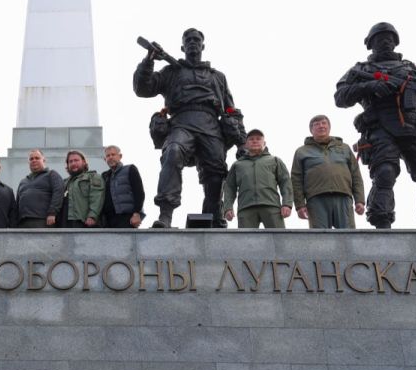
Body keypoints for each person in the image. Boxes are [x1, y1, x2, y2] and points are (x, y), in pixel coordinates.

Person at [334, 22, 416, 228]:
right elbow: (340, 97)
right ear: (370, 44)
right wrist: (372, 85)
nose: (385, 42)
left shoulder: (412, 70)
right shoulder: (361, 70)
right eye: (380, 39)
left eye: (389, 38)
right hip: (381, 126)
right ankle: (381, 217)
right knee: (385, 172)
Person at [133, 28, 241, 228]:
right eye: (188, 40)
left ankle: (212, 216)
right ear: (182, 46)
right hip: (181, 121)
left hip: (210, 124)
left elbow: (230, 109)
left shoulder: (217, 77)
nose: (192, 42)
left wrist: (240, 138)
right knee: (173, 152)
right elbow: (143, 88)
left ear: (203, 45)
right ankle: (165, 214)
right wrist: (149, 60)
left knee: (216, 173)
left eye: (196, 39)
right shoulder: (171, 72)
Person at [291, 115, 365, 229]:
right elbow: (296, 180)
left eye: (324, 123)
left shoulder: (344, 148)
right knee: (320, 240)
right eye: (316, 124)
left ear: (329, 127)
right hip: (316, 199)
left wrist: (359, 200)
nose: (321, 126)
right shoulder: (302, 151)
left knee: (348, 237)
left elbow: (356, 175)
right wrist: (299, 205)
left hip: (343, 197)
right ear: (311, 130)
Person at [222, 129, 293, 228]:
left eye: (258, 139)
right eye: (251, 139)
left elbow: (285, 183)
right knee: (246, 241)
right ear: (246, 144)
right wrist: (228, 208)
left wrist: (287, 204)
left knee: (279, 240)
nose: (255, 141)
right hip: (246, 208)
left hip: (271, 206)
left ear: (264, 143)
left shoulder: (275, 161)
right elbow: (229, 188)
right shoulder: (238, 165)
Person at [16, 149, 64, 228]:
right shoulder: (23, 181)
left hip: (43, 220)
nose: (34, 160)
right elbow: (17, 203)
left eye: (37, 158)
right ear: (28, 162)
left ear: (44, 160)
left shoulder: (52, 174)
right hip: (23, 222)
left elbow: (58, 192)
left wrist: (52, 213)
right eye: (31, 159)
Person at [100, 145, 145, 228]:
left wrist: (136, 213)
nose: (110, 157)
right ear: (104, 159)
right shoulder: (104, 176)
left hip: (126, 217)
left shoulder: (130, 169)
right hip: (107, 220)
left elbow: (139, 192)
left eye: (113, 154)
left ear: (120, 156)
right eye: (108, 156)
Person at [59, 150, 104, 228]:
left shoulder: (93, 177)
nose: (73, 163)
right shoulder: (64, 182)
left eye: (76, 160)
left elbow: (97, 197)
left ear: (83, 162)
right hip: (66, 223)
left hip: (85, 222)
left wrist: (92, 216)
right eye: (70, 161)